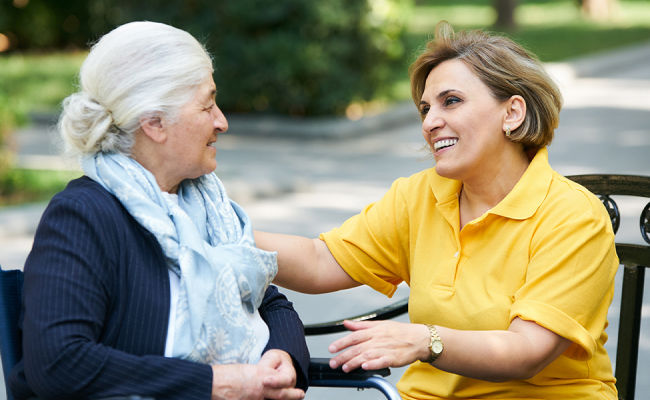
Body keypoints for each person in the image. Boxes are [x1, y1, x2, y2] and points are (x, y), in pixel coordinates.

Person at [255, 21, 619, 399]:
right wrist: (217, 231)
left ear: (512, 113)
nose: (429, 122)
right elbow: (320, 260)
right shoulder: (420, 195)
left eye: (452, 101)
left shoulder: (573, 215)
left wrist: (426, 340)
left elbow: (526, 350)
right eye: (426, 108)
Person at [9, 21, 309, 400]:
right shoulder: (83, 215)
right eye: (207, 104)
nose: (222, 122)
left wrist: (281, 357)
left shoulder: (205, 205)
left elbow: (269, 301)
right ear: (154, 123)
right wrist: (219, 384)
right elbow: (59, 363)